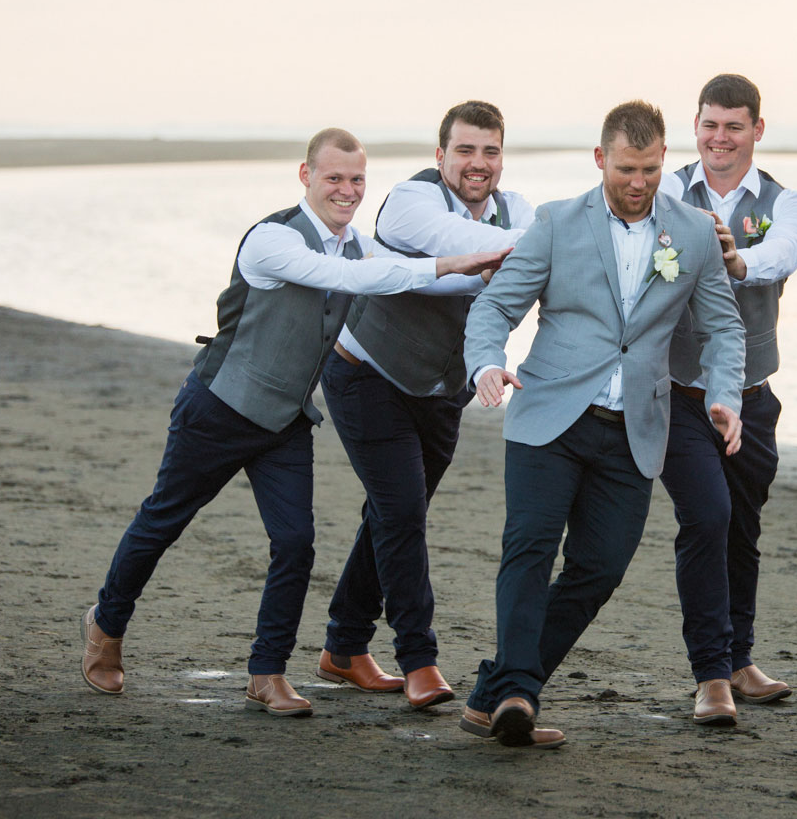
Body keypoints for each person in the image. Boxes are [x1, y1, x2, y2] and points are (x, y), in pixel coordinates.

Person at [79, 127, 509, 717]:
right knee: (163, 520)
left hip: (285, 422)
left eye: (357, 180)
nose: (347, 190)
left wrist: (489, 267)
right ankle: (106, 625)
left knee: (296, 544)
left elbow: (401, 273)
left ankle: (267, 671)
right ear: (305, 176)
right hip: (219, 409)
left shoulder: (358, 244)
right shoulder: (271, 239)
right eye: (334, 178)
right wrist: (460, 257)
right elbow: (354, 279)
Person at [458, 100, 746, 748]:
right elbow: (496, 307)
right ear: (600, 160)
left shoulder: (694, 234)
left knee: (600, 567)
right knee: (529, 550)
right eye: (625, 169)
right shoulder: (558, 223)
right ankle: (517, 695)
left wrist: (724, 395)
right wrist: (485, 365)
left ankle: (494, 689)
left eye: (648, 169)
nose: (638, 182)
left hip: (635, 429)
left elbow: (723, 328)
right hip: (548, 417)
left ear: (663, 161)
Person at [314, 101, 534, 708]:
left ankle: (343, 646)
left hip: (441, 393)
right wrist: (532, 249)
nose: (477, 163)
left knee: (391, 515)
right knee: (403, 511)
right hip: (367, 375)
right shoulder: (410, 203)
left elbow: (540, 269)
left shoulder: (518, 211)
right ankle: (419, 658)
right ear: (441, 157)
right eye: (464, 150)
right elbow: (456, 245)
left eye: (489, 151)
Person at [656, 73, 797, 725]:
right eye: (709, 125)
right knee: (708, 519)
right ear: (695, 127)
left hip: (752, 396)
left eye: (733, 125)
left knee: (742, 531)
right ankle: (711, 677)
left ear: (756, 129)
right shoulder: (666, 189)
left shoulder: (788, 203)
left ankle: (740, 659)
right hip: (680, 395)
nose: (720, 138)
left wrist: (738, 258)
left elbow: (783, 253)